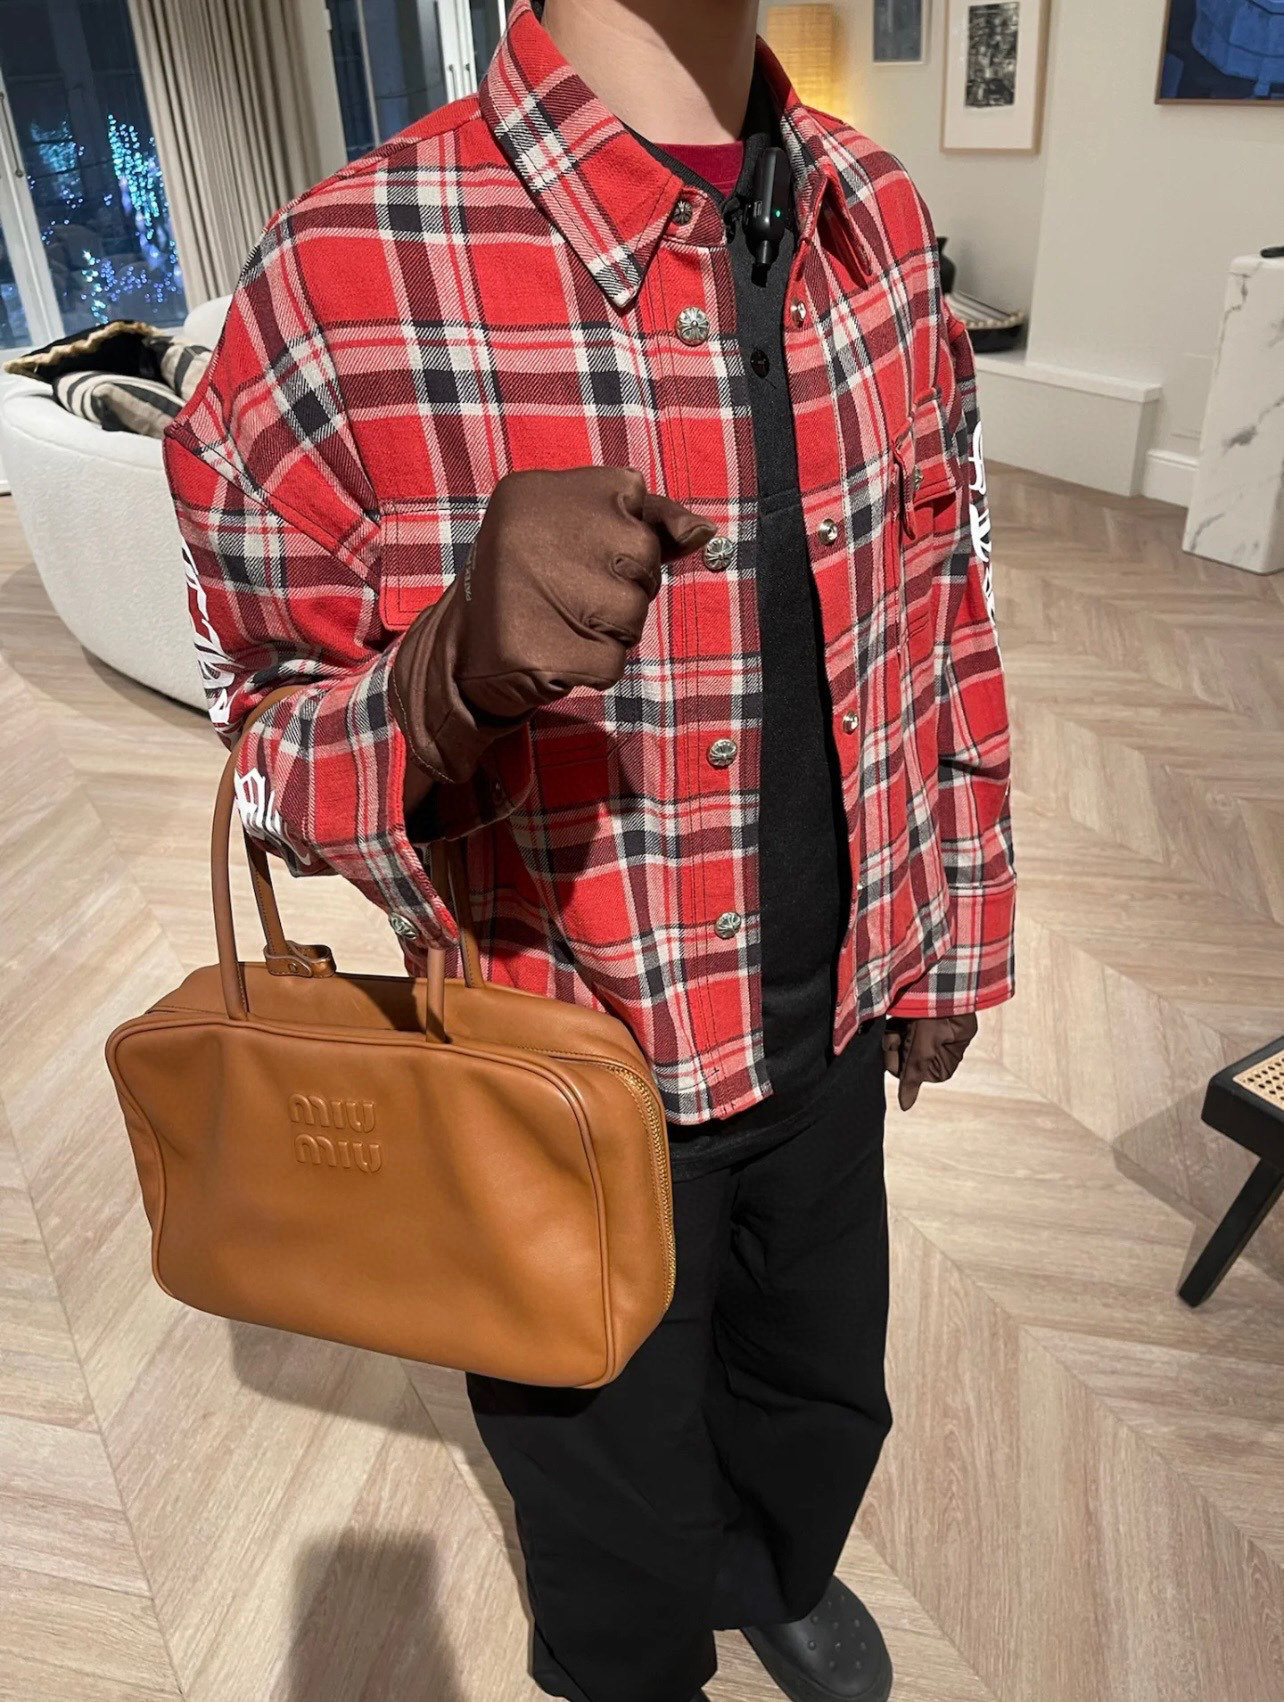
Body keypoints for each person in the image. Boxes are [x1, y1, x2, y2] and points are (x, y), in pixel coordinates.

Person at [161, 1, 1016, 1697]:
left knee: (818, 1392)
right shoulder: (338, 276)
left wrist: (957, 929)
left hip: (838, 1010)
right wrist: (438, 675)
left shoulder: (878, 215)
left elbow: (946, 598)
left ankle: (764, 1567)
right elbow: (259, 747)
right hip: (556, 1062)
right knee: (598, 1488)